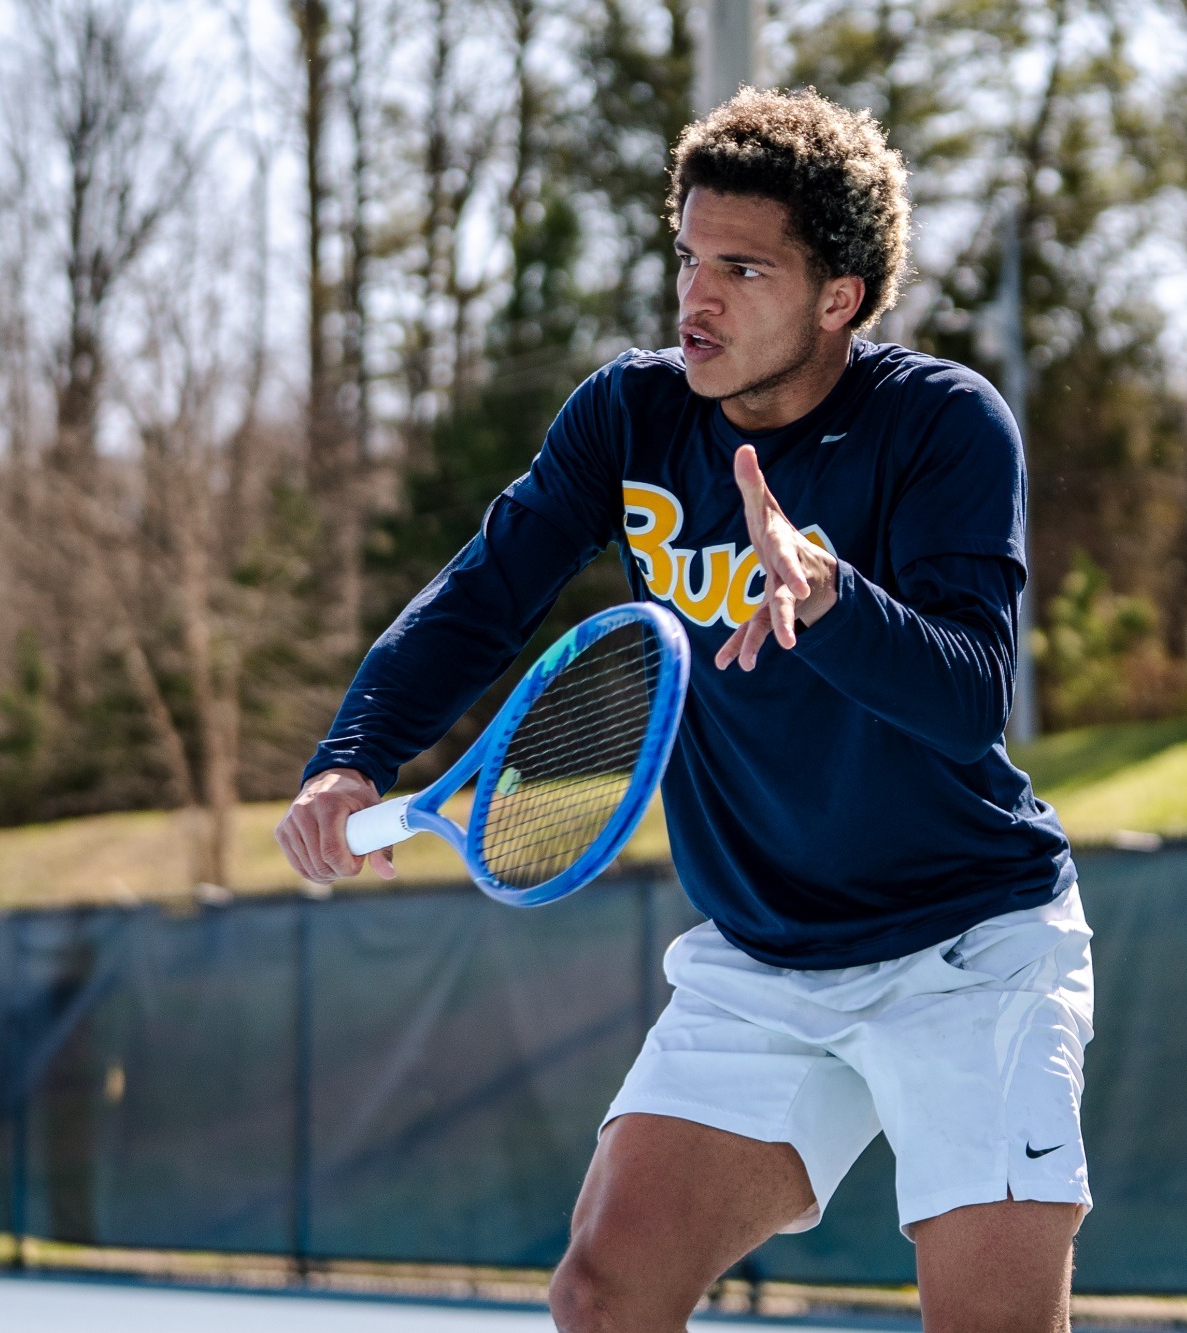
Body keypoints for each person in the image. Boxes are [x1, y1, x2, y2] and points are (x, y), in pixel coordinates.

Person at [276, 88, 1092, 1332]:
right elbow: (482, 592)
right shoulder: (629, 415)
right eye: (686, 258)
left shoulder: (943, 426)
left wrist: (828, 600)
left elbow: (968, 694)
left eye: (741, 268)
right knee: (604, 1295)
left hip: (970, 950)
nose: (693, 299)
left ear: (841, 297)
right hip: (761, 956)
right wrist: (350, 757)